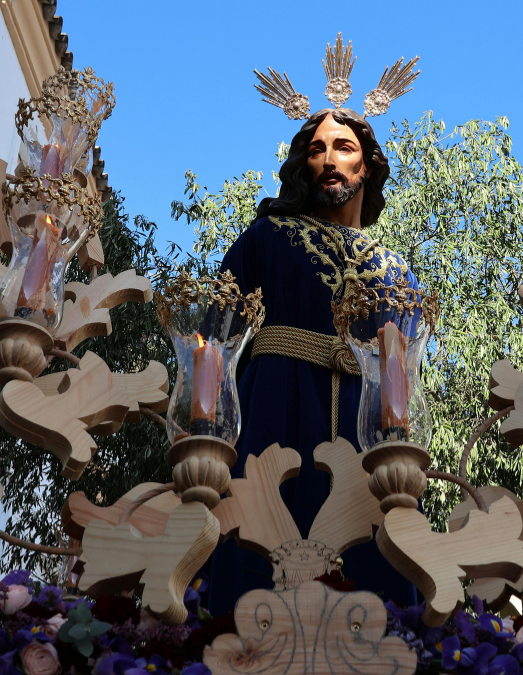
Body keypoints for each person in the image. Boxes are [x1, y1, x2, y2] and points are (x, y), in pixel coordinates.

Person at [206, 106, 420, 615]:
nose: (328, 159)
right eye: (317, 149)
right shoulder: (268, 237)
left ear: (366, 165)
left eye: (343, 148)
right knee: (257, 558)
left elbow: (407, 372)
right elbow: (214, 339)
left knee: (374, 573)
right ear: (303, 164)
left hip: (366, 432)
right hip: (275, 415)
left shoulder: (395, 270)